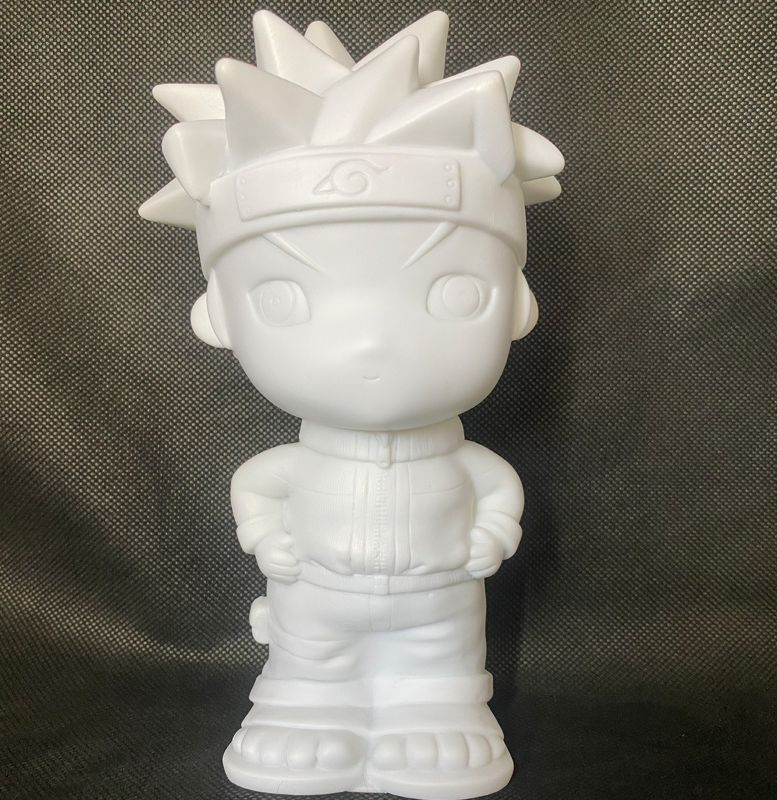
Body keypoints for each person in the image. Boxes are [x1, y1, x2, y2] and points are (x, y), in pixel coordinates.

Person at [140, 10, 563, 797]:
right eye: (284, 299)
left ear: (516, 302)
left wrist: (491, 531)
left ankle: (440, 712)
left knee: (441, 662)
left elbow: (498, 488)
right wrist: (267, 536)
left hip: (439, 592)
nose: (371, 342)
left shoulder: (463, 461)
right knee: (310, 660)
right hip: (317, 596)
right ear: (219, 315)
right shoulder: (294, 464)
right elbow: (256, 487)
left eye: (454, 292)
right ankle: (303, 711)